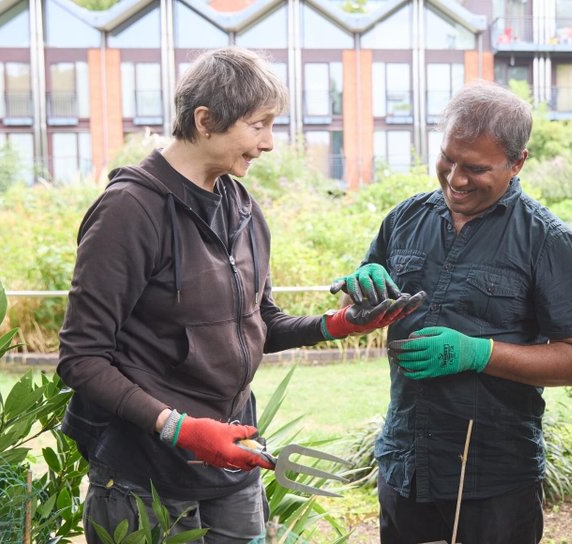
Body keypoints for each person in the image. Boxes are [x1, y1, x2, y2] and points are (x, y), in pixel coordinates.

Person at [57, 47, 420, 542]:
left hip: (232, 467)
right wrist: (177, 427)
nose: (269, 143)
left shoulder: (241, 207)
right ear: (206, 120)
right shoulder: (129, 212)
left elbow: (259, 323)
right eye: (259, 125)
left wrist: (338, 324)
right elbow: (82, 359)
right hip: (144, 479)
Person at [352, 82, 572, 544]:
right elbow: (359, 308)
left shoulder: (548, 240)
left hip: (495, 482)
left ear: (517, 162)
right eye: (448, 158)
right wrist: (357, 297)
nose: (455, 179)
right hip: (406, 465)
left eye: (476, 168)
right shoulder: (404, 219)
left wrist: (478, 353)